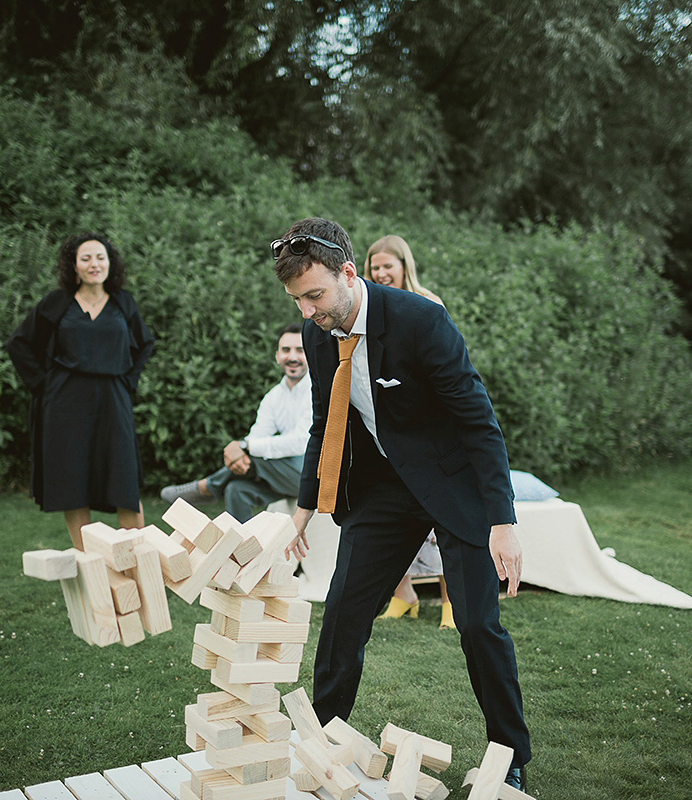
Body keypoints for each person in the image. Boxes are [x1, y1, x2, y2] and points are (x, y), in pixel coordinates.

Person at [274, 218, 531, 792]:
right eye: (298, 300)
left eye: (316, 295)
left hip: (453, 483)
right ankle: (323, 737)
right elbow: (326, 423)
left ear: (347, 273)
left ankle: (509, 755)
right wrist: (303, 509)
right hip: (385, 489)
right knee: (342, 611)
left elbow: (478, 421)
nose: (310, 310)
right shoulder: (317, 333)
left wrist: (502, 522)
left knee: (477, 625)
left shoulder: (420, 319)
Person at [6, 231, 154, 550]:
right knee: (74, 484)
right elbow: (19, 344)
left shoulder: (122, 303)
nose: (93, 264)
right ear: (73, 265)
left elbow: (145, 344)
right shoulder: (56, 303)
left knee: (124, 483)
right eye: (85, 258)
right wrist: (45, 385)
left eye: (100, 257)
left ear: (110, 263)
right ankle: (91, 567)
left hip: (114, 401)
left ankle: (139, 565)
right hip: (66, 405)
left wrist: (127, 380)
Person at [363, 235, 453, 629]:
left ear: (405, 266)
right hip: (388, 431)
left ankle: (453, 603)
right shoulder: (367, 313)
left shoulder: (428, 304)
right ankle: (405, 595)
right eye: (374, 268)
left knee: (445, 517)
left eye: (388, 266)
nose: (381, 274)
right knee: (387, 511)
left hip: (431, 428)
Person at [157, 322, 312, 523]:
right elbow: (257, 436)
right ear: (277, 356)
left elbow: (301, 442)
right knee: (235, 489)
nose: (292, 357)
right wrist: (238, 453)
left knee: (253, 452)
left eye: (300, 350)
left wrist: (244, 446)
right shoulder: (273, 397)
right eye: (286, 350)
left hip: (314, 478)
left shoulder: (316, 389)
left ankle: (207, 487)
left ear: (310, 354)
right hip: (286, 477)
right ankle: (243, 552)